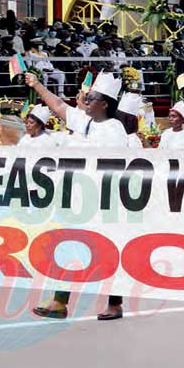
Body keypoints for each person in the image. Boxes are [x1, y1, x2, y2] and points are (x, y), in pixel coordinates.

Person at [26, 71, 128, 320]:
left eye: (91, 98)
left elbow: (105, 162)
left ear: (104, 103)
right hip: (80, 198)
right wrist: (37, 84)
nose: (86, 100)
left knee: (107, 252)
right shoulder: (87, 122)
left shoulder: (114, 129)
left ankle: (115, 304)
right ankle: (60, 302)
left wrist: (77, 145)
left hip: (105, 201)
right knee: (68, 246)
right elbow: (60, 106)